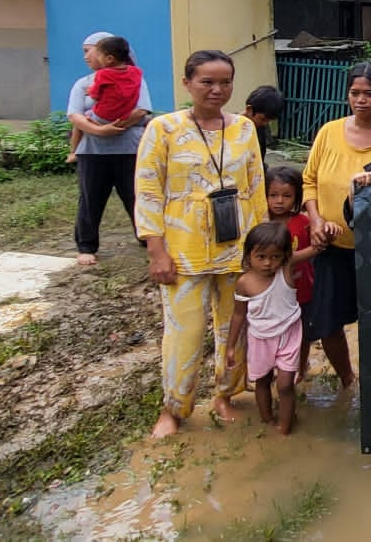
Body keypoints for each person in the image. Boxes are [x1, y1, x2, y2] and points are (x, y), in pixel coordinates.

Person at [135, 49, 268, 438]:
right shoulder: (163, 129)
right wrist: (155, 249)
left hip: (238, 248)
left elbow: (256, 187)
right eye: (206, 82)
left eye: (225, 81)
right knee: (184, 332)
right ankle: (174, 408)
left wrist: (259, 249)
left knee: (235, 328)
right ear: (187, 83)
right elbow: (147, 191)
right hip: (182, 249)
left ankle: (226, 395)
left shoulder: (244, 129)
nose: (216, 89)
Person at [301, 63, 371, 389]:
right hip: (332, 249)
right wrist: (316, 219)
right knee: (327, 323)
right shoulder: (328, 132)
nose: (361, 100)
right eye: (355, 93)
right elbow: (309, 180)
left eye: (370, 93)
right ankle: (348, 380)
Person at [67, 31, 152, 267]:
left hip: (129, 150)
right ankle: (86, 246)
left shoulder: (136, 78)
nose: (85, 57)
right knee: (90, 199)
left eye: (89, 51)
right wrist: (101, 131)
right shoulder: (83, 84)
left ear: (108, 55)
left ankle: (146, 237)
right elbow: (74, 115)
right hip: (93, 152)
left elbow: (142, 111)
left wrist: (115, 126)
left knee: (136, 197)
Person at [225, 222, 302, 435]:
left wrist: (326, 233)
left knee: (285, 384)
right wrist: (230, 347)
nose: (268, 263)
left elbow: (314, 250)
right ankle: (267, 420)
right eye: (261, 257)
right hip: (260, 338)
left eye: (275, 257)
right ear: (249, 255)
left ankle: (284, 428)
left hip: (289, 334)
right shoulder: (244, 283)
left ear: (284, 256)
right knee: (262, 380)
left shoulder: (285, 269)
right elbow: (239, 315)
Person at [265, 166, 331, 381]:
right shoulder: (262, 224)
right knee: (274, 332)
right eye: (273, 195)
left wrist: (326, 233)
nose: (279, 201)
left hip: (302, 291)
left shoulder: (303, 223)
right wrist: (312, 251)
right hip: (271, 293)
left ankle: (300, 369)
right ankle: (273, 368)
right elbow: (281, 260)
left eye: (286, 196)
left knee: (301, 335)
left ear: (297, 197)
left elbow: (319, 238)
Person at [243, 85, 286, 158]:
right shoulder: (230, 128)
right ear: (249, 109)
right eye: (263, 119)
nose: (265, 123)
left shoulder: (260, 128)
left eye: (269, 121)